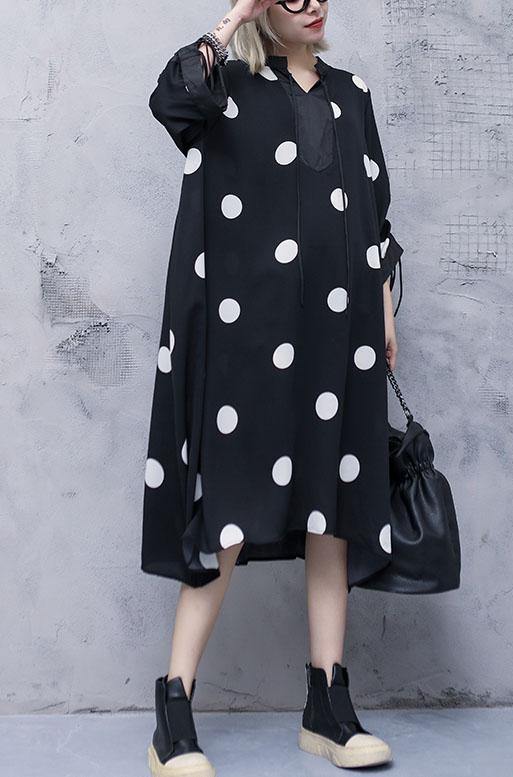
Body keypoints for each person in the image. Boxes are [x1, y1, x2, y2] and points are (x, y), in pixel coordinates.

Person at [142, 1, 404, 774]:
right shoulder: (225, 88)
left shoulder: (351, 93)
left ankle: (328, 705)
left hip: (340, 338)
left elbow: (375, 212)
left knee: (333, 507)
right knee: (226, 511)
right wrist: (234, 17)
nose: (312, 5)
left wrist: (384, 309)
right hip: (248, 344)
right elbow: (172, 97)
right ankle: (173, 712)